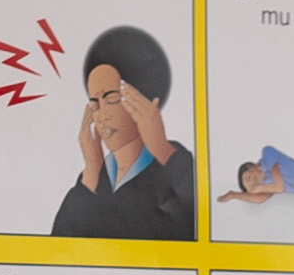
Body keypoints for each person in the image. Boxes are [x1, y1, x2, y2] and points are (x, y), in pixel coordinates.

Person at [55, 28, 196, 242]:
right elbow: (59, 249)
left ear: (141, 99)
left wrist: (160, 148)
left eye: (111, 99)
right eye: (95, 104)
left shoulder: (175, 166)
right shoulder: (94, 178)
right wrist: (91, 172)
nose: (102, 115)